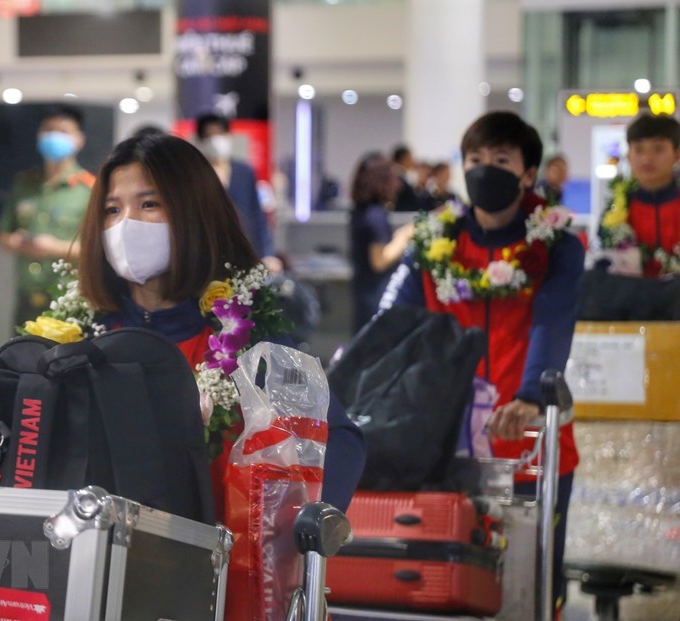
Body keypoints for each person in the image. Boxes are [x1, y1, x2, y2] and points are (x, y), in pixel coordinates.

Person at [77, 133, 365, 517]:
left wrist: (303, 524)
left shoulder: (246, 336)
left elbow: (337, 439)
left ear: (194, 213)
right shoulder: (83, 339)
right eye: (112, 210)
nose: (126, 224)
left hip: (217, 549)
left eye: (149, 204)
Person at [380, 111, 584, 615]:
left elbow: (553, 320)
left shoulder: (556, 244)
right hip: (445, 443)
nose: (484, 169)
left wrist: (532, 395)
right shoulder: (434, 242)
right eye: (475, 158)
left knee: (532, 586)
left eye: (501, 160)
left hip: (527, 439)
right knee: (444, 582)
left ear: (528, 174)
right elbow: (394, 324)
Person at [0, 105, 95, 326]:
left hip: (69, 298)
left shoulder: (89, 189)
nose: (54, 136)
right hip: (27, 295)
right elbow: (3, 235)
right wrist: (18, 242)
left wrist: (54, 248)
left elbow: (97, 250)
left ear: (79, 139)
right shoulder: (25, 184)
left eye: (63, 131)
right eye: (48, 130)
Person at [597, 114, 679, 277]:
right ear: (628, 155)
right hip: (630, 291)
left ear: (677, 154)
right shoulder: (617, 209)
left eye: (658, 149)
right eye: (639, 149)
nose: (647, 159)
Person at [194, 113, 277, 265]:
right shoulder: (194, 174)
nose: (215, 140)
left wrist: (267, 253)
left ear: (229, 136)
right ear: (200, 140)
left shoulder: (244, 171)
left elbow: (257, 214)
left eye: (220, 134)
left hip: (243, 249)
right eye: (209, 136)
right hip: (206, 252)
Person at [348, 152, 414, 333]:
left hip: (364, 295)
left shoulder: (361, 212)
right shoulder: (376, 216)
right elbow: (380, 261)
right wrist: (404, 236)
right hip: (376, 297)